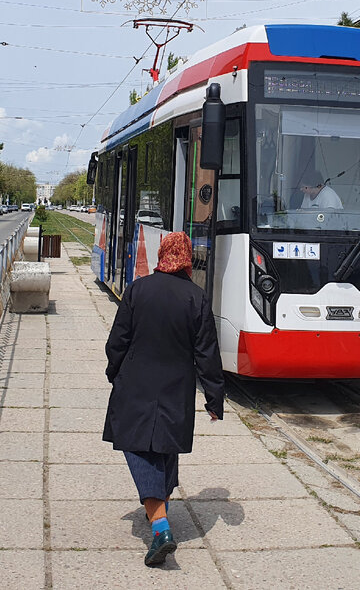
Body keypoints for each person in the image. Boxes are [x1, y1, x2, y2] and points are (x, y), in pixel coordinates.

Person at [103, 231, 224, 568]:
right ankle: (160, 513)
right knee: (166, 452)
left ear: (161, 255)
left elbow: (118, 341)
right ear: (186, 258)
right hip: (177, 390)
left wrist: (114, 372)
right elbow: (208, 355)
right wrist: (215, 399)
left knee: (138, 448)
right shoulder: (196, 298)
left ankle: (160, 528)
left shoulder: (138, 289)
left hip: (136, 387)